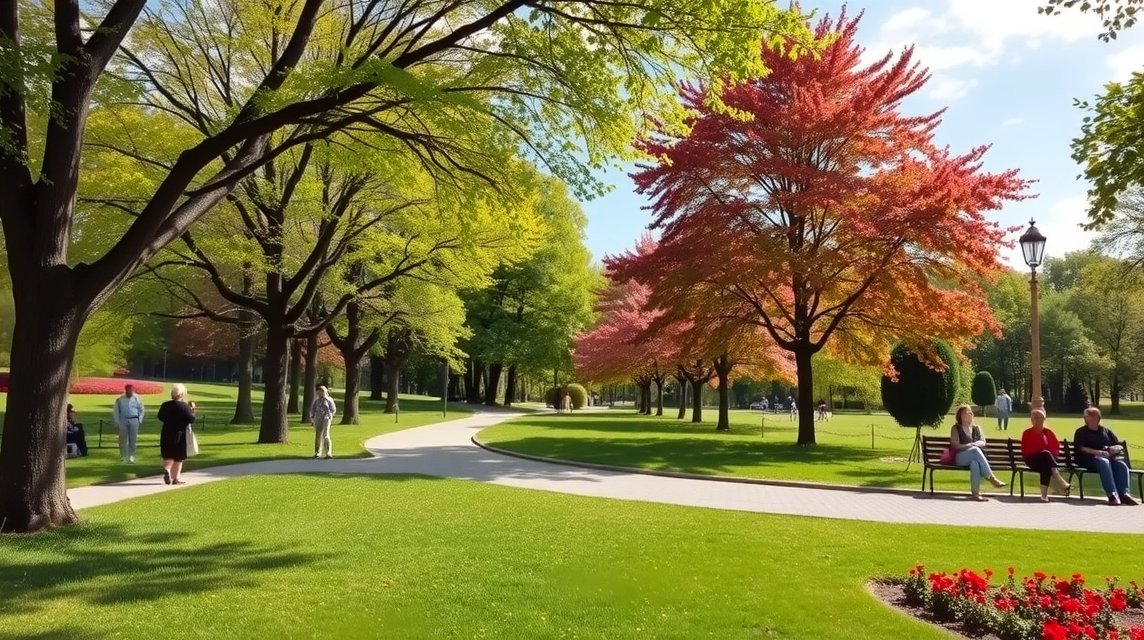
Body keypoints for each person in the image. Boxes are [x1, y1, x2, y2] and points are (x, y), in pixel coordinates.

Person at [1073, 407, 1138, 505]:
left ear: (1097, 418)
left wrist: (1114, 449)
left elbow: (1118, 444)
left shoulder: (1106, 431)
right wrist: (1098, 452)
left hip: (1107, 457)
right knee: (1103, 462)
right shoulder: (1081, 432)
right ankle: (1112, 494)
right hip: (1087, 459)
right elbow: (1081, 448)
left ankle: (1124, 494)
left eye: (1089, 416)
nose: (1086, 419)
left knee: (1121, 464)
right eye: (1086, 417)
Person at [949, 404, 1007, 501]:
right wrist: (970, 445)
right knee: (975, 450)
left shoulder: (977, 428)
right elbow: (956, 445)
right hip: (960, 457)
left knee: (975, 464)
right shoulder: (956, 428)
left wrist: (975, 444)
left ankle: (976, 494)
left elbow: (983, 442)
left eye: (971, 412)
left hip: (974, 457)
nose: (970, 414)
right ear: (961, 415)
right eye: (968, 412)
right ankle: (991, 477)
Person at [1020, 409, 1070, 502]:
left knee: (1046, 465)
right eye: (1035, 418)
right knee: (1045, 454)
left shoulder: (1048, 433)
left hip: (1046, 461)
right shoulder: (1027, 433)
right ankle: (1058, 478)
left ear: (1044, 419)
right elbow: (1026, 450)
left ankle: (1044, 496)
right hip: (1032, 460)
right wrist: (1042, 452)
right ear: (1031, 420)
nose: (1037, 420)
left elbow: (1055, 448)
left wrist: (1051, 456)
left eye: (1040, 417)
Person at [157, 383, 196, 485]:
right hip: (180, 433)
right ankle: (176, 478)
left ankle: (167, 469)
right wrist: (193, 411)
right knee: (179, 457)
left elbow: (160, 416)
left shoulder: (165, 405)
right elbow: (191, 419)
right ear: (182, 394)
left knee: (168, 455)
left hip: (166, 432)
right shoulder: (185, 407)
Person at [112, 383, 145, 463]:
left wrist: (139, 420)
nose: (130, 392)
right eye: (128, 391)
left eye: (131, 391)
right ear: (126, 390)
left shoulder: (137, 398)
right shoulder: (120, 399)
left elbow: (141, 409)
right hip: (123, 420)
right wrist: (117, 421)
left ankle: (131, 456)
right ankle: (123, 456)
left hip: (134, 420)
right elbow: (116, 411)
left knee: (133, 439)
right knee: (122, 439)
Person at [310, 385, 337, 459]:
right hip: (318, 418)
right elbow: (313, 410)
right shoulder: (317, 400)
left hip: (326, 418)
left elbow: (333, 409)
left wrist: (330, 415)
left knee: (326, 435)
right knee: (318, 435)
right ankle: (317, 452)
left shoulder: (329, 400)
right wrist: (312, 418)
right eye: (319, 391)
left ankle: (328, 452)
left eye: (322, 391)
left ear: (325, 392)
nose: (320, 393)